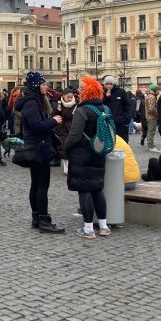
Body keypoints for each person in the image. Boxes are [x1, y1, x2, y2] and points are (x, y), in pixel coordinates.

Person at [16, 71, 64, 233]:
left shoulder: (33, 101)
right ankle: (43, 219)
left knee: (37, 184)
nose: (46, 87)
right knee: (41, 185)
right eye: (43, 84)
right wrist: (53, 121)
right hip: (38, 148)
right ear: (36, 86)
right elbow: (37, 125)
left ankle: (37, 218)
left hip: (38, 147)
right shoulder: (31, 103)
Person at [63, 75, 110, 239]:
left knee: (84, 190)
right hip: (99, 153)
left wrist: (65, 148)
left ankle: (88, 229)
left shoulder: (82, 110)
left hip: (82, 155)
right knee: (97, 189)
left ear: (86, 93)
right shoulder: (105, 109)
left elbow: (74, 135)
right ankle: (104, 226)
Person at [53, 89, 77, 175]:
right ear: (63, 96)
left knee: (72, 147)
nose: (70, 99)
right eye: (68, 97)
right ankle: (66, 167)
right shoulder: (58, 104)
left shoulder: (76, 105)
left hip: (72, 127)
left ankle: (71, 165)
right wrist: (57, 110)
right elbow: (53, 116)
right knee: (63, 146)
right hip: (62, 128)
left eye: (71, 97)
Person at [102, 75, 132, 142]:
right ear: (104, 85)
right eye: (107, 84)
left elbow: (128, 106)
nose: (109, 86)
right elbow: (101, 106)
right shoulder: (102, 93)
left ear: (113, 84)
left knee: (122, 142)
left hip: (121, 123)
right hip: (108, 123)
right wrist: (106, 97)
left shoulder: (121, 92)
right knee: (110, 142)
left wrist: (127, 119)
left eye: (111, 84)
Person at [143, 83, 159, 151]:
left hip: (149, 116)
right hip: (151, 117)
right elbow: (151, 109)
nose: (158, 90)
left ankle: (150, 144)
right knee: (151, 131)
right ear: (154, 89)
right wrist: (157, 114)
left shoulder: (149, 96)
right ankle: (151, 146)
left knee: (150, 131)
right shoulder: (151, 97)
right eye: (157, 89)